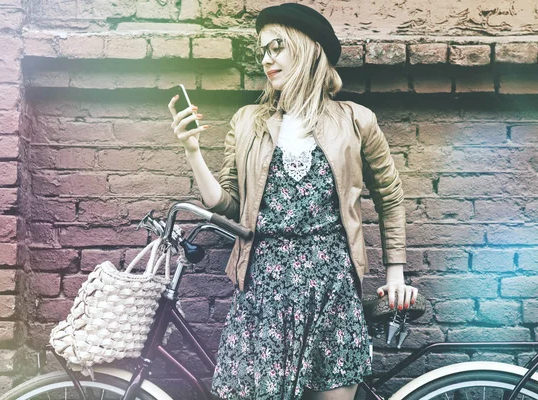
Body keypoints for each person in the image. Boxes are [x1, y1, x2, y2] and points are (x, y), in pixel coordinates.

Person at [167, 3, 418, 399]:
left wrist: (395, 275)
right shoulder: (248, 120)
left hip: (332, 288)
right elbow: (227, 205)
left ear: (307, 48)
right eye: (262, 51)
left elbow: (390, 196)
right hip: (264, 289)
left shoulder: (356, 120)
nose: (267, 59)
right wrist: (192, 150)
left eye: (276, 47)